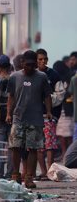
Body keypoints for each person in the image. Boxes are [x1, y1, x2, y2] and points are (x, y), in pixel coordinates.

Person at [7, 50, 52, 188]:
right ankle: (16, 174)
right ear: (22, 63)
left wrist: (49, 111)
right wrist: (9, 113)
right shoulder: (14, 77)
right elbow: (11, 96)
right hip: (18, 117)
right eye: (27, 65)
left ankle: (29, 177)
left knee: (33, 149)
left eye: (33, 65)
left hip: (35, 118)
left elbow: (47, 96)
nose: (30, 68)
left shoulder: (42, 77)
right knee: (15, 147)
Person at [36, 49, 62, 179]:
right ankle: (43, 171)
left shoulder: (54, 75)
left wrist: (48, 101)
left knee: (49, 145)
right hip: (34, 116)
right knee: (39, 146)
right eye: (40, 59)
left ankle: (50, 171)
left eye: (44, 59)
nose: (43, 61)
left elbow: (60, 94)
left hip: (49, 116)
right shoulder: (31, 75)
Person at [54, 61, 74, 161]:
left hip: (68, 110)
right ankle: (65, 153)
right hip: (63, 110)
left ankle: (68, 154)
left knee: (68, 134)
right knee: (62, 133)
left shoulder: (69, 78)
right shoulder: (62, 79)